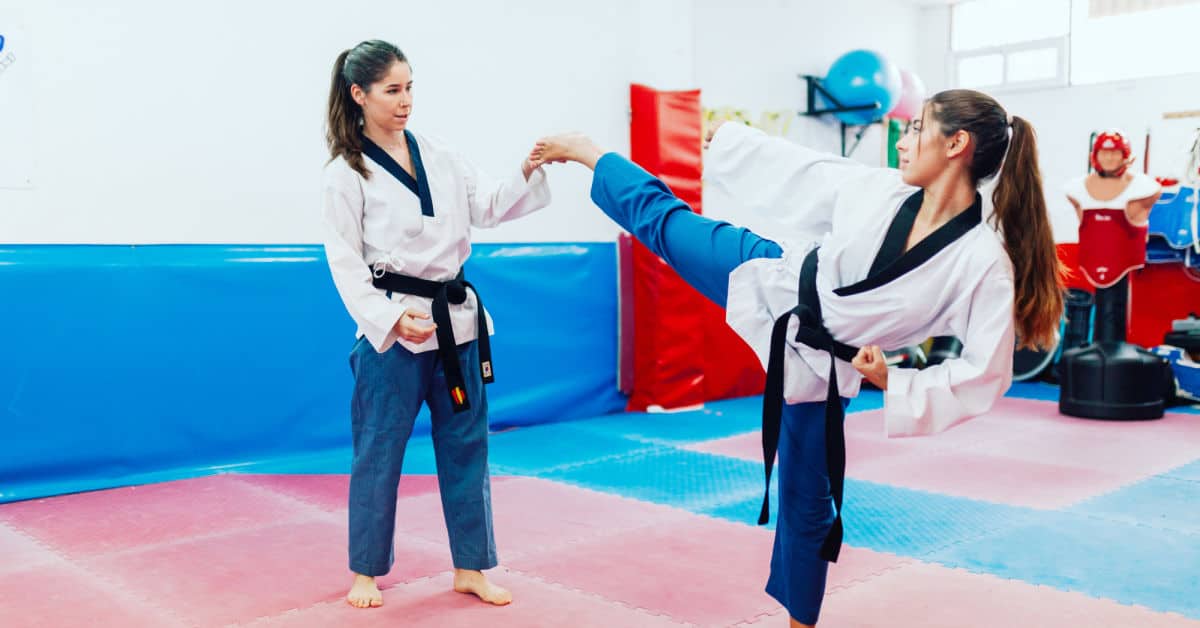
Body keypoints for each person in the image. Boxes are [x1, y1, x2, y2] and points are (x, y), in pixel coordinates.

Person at [529, 89, 1062, 627]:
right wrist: (736, 143)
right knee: (666, 226)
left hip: (820, 366)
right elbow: (808, 171)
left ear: (957, 143)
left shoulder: (982, 262)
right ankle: (591, 153)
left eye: (917, 128)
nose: (903, 142)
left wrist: (894, 380)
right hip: (772, 278)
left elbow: (985, 373)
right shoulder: (878, 190)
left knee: (809, 505)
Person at [322, 39, 550, 609]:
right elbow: (344, 261)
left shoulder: (440, 153)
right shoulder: (345, 174)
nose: (405, 101)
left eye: (409, 87)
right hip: (391, 334)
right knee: (378, 451)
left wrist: (525, 170)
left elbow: (491, 205)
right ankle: (366, 573)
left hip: (457, 326)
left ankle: (471, 566)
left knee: (467, 446)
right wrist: (393, 318)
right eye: (392, 91)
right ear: (359, 94)